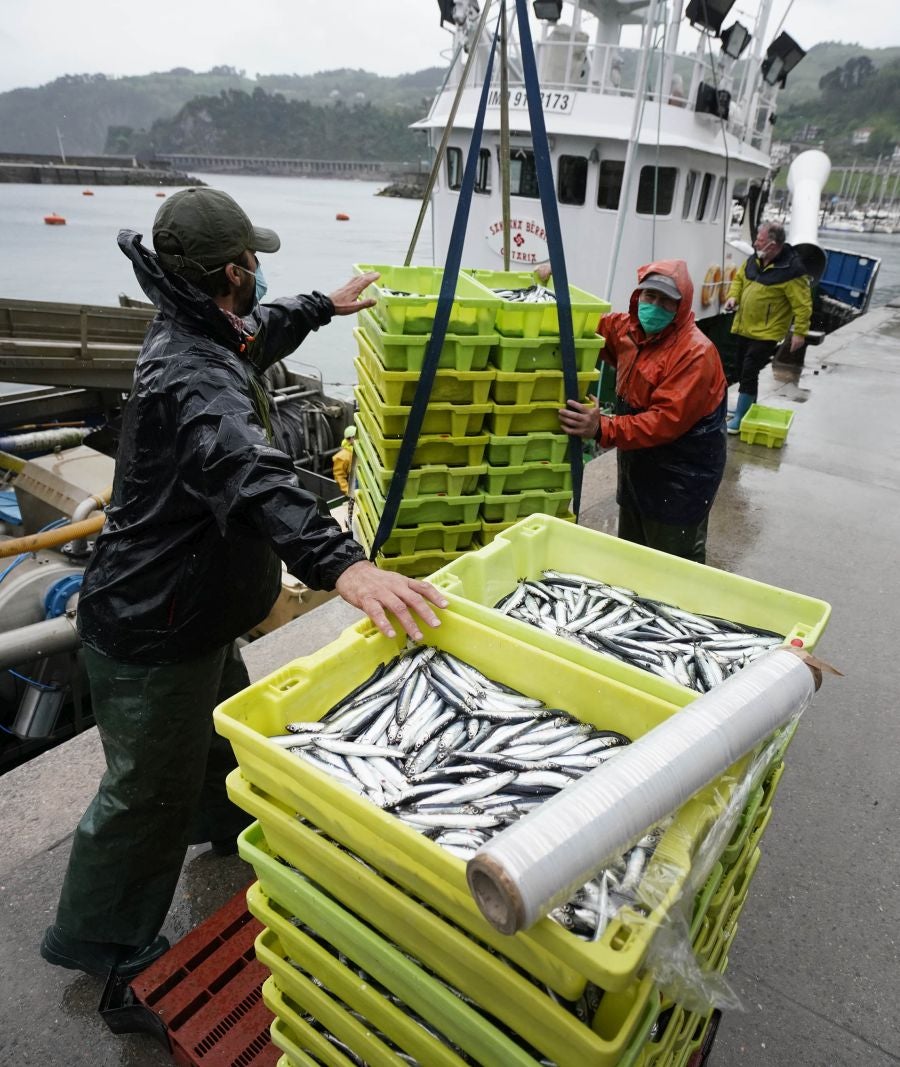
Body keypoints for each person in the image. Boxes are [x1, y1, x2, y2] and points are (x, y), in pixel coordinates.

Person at [39, 187, 447, 980]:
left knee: (219, 731)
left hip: (192, 604)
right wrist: (344, 564)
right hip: (151, 624)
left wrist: (322, 305)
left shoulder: (204, 324)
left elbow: (259, 330)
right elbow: (251, 472)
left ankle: (225, 826)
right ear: (232, 270)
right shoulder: (192, 377)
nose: (260, 275)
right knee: (143, 793)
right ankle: (102, 938)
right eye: (254, 263)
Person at [558, 260, 727, 564]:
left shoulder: (695, 353)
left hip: (683, 475)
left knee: (673, 561)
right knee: (633, 554)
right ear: (638, 297)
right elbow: (583, 323)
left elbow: (664, 421)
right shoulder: (627, 328)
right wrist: (549, 288)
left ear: (681, 305)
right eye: (650, 296)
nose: (655, 306)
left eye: (666, 301)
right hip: (639, 465)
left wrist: (601, 428)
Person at [723, 222, 812, 433]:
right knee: (739, 368)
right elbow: (739, 280)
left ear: (772, 245)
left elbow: (803, 304)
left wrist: (800, 332)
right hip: (744, 326)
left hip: (767, 331)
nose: (755, 243)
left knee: (749, 370)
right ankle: (746, 410)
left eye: (760, 240)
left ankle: (739, 420)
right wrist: (733, 297)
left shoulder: (792, 270)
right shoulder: (753, 260)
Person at [332, 424, 357, 496]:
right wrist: (348, 491)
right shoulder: (342, 456)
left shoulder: (359, 450)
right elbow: (339, 476)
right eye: (356, 437)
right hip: (353, 485)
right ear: (350, 439)